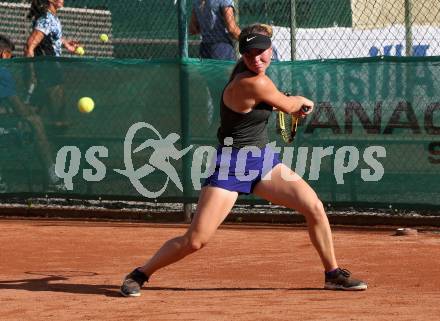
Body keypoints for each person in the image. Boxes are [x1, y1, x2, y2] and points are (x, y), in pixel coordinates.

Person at [120, 23, 367, 297]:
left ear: (271, 50)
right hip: (231, 166)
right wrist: (303, 102)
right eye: (250, 55)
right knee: (195, 240)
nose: (256, 59)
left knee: (314, 207)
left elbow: (272, 101)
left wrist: (280, 101)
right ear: (243, 56)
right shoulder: (254, 81)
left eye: (261, 52)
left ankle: (332, 274)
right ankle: (140, 273)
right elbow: (293, 105)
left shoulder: (253, 75)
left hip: (262, 162)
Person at [0, 34, 62, 190]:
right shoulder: (3, 73)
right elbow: (19, 109)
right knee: (36, 122)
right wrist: (29, 112)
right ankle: (53, 178)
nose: (10, 59)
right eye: (10, 55)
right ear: (3, 54)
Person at [24, 0, 80, 128]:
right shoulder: (46, 18)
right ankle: (56, 131)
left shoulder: (52, 17)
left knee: (37, 103)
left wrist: (65, 43)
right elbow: (30, 45)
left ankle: (21, 125)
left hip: (50, 64)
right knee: (56, 107)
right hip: (47, 65)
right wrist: (30, 69)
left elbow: (50, 36)